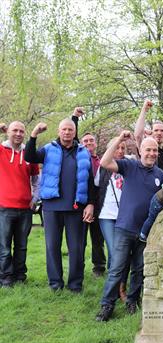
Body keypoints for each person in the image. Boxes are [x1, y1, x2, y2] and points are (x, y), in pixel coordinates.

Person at [96, 133, 163, 321]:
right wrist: (119, 139)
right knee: (116, 269)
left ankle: (132, 301)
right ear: (140, 151)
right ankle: (107, 305)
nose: (151, 153)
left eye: (154, 150)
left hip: (146, 232)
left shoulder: (161, 175)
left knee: (139, 268)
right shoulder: (129, 166)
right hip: (124, 228)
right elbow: (104, 162)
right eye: (148, 150)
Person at [24, 119, 95, 293]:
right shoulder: (49, 149)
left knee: (77, 248)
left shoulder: (83, 152)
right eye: (64, 129)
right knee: (52, 247)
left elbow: (90, 181)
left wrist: (91, 203)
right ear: (59, 130)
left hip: (76, 208)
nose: (67, 132)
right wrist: (34, 135)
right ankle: (55, 284)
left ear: (74, 131)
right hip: (51, 207)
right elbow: (29, 156)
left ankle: (75, 285)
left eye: (70, 129)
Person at [0, 122, 39, 286]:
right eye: (14, 130)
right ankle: (6, 277)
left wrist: (34, 199)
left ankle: (20, 276)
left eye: (21, 131)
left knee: (22, 246)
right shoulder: (2, 150)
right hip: (4, 208)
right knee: (4, 247)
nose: (18, 133)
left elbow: (36, 180)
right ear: (8, 132)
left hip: (25, 209)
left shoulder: (29, 154)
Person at [94, 137, 128, 300]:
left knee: (119, 252)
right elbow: (95, 188)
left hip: (124, 216)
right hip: (107, 214)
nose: (120, 151)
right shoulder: (104, 167)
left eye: (123, 148)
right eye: (117, 148)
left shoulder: (129, 165)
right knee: (115, 251)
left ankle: (115, 284)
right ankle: (117, 289)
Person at [81, 131, 106, 277]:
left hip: (98, 204)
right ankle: (79, 266)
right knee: (79, 239)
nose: (89, 143)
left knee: (98, 239)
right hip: (81, 204)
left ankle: (99, 267)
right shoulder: (78, 159)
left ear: (96, 143)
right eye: (85, 141)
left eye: (91, 140)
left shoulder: (102, 162)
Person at [134, 100, 163, 173]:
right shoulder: (146, 149)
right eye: (156, 130)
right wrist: (144, 109)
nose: (159, 133)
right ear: (151, 133)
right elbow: (138, 135)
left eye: (162, 131)